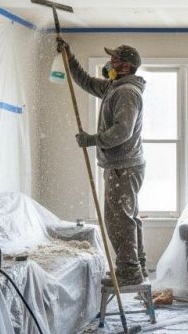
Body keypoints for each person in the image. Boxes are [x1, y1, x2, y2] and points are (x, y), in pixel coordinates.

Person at [56, 37, 148, 286]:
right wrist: (69, 56)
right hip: (123, 165)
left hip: (124, 166)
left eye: (114, 60)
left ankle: (129, 272)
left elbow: (123, 131)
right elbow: (86, 81)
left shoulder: (127, 92)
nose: (109, 64)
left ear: (126, 67)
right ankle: (137, 265)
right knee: (126, 217)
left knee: (118, 220)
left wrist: (92, 139)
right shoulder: (113, 87)